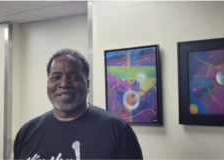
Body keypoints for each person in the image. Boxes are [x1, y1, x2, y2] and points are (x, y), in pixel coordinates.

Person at [13, 49, 143, 160]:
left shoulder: (116, 129)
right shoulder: (27, 132)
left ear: (87, 84)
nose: (64, 84)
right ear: (48, 83)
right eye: (56, 77)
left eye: (74, 77)